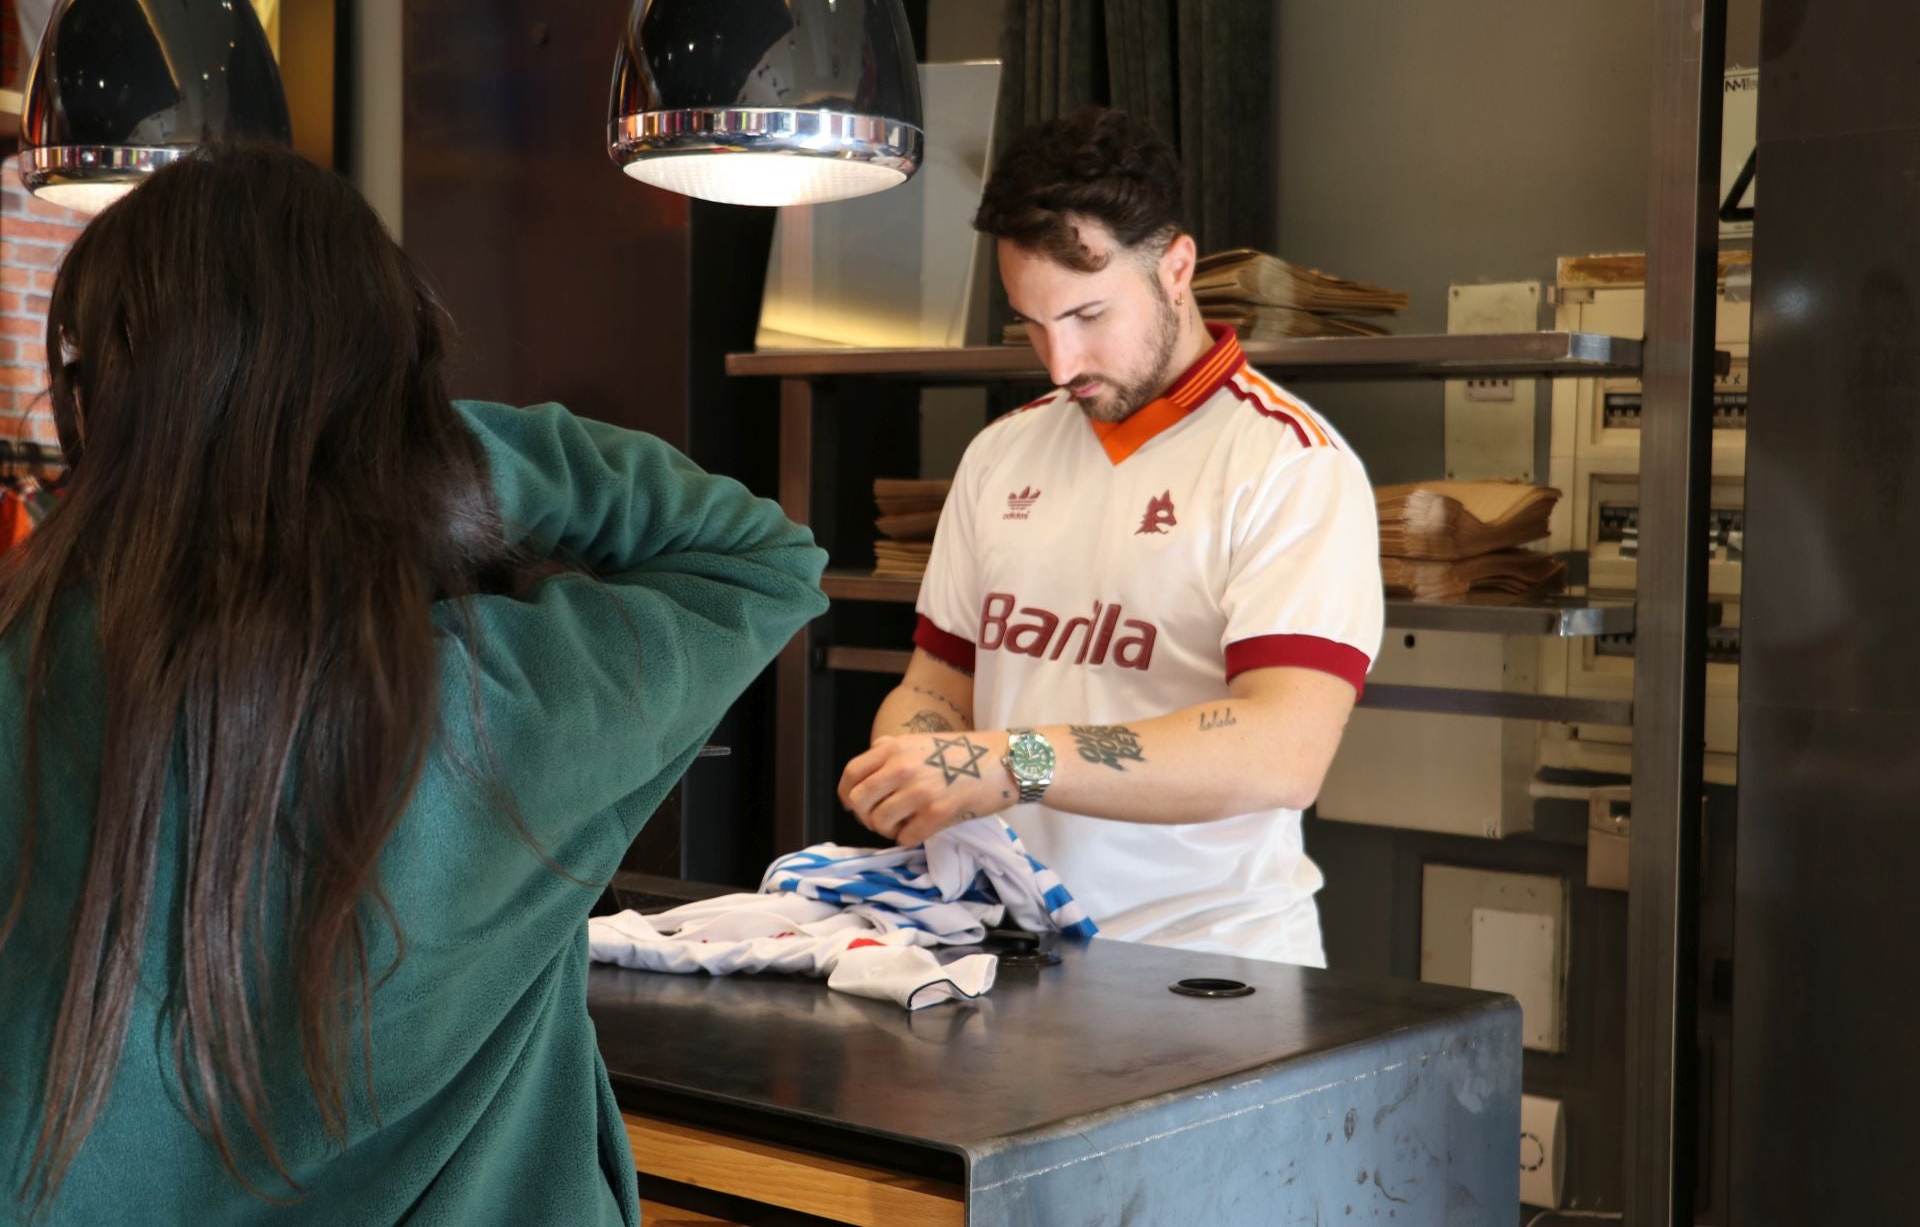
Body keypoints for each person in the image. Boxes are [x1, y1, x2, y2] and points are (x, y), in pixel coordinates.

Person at [0, 145, 826, 1224]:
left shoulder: (29, 670)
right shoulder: (502, 701)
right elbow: (762, 557)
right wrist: (404, 446)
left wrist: (222, 454)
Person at [838, 107, 1383, 966]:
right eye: (1031, 322)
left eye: (1089, 314)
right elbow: (938, 684)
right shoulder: (1000, 453)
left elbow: (1283, 751)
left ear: (1176, 268)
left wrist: (1011, 760)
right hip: (1009, 946)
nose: (1060, 362)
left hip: (1211, 965)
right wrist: (913, 756)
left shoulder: (1291, 465)